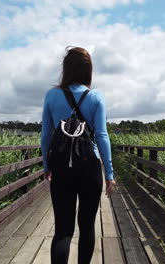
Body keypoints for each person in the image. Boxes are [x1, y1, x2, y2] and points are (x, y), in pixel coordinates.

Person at [41, 46, 116, 264]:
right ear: (88, 71)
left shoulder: (52, 95)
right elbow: (102, 136)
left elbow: (45, 135)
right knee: (87, 227)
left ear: (66, 69)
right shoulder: (96, 97)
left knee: (63, 230)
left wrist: (47, 165)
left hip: (62, 168)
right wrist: (109, 174)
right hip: (89, 167)